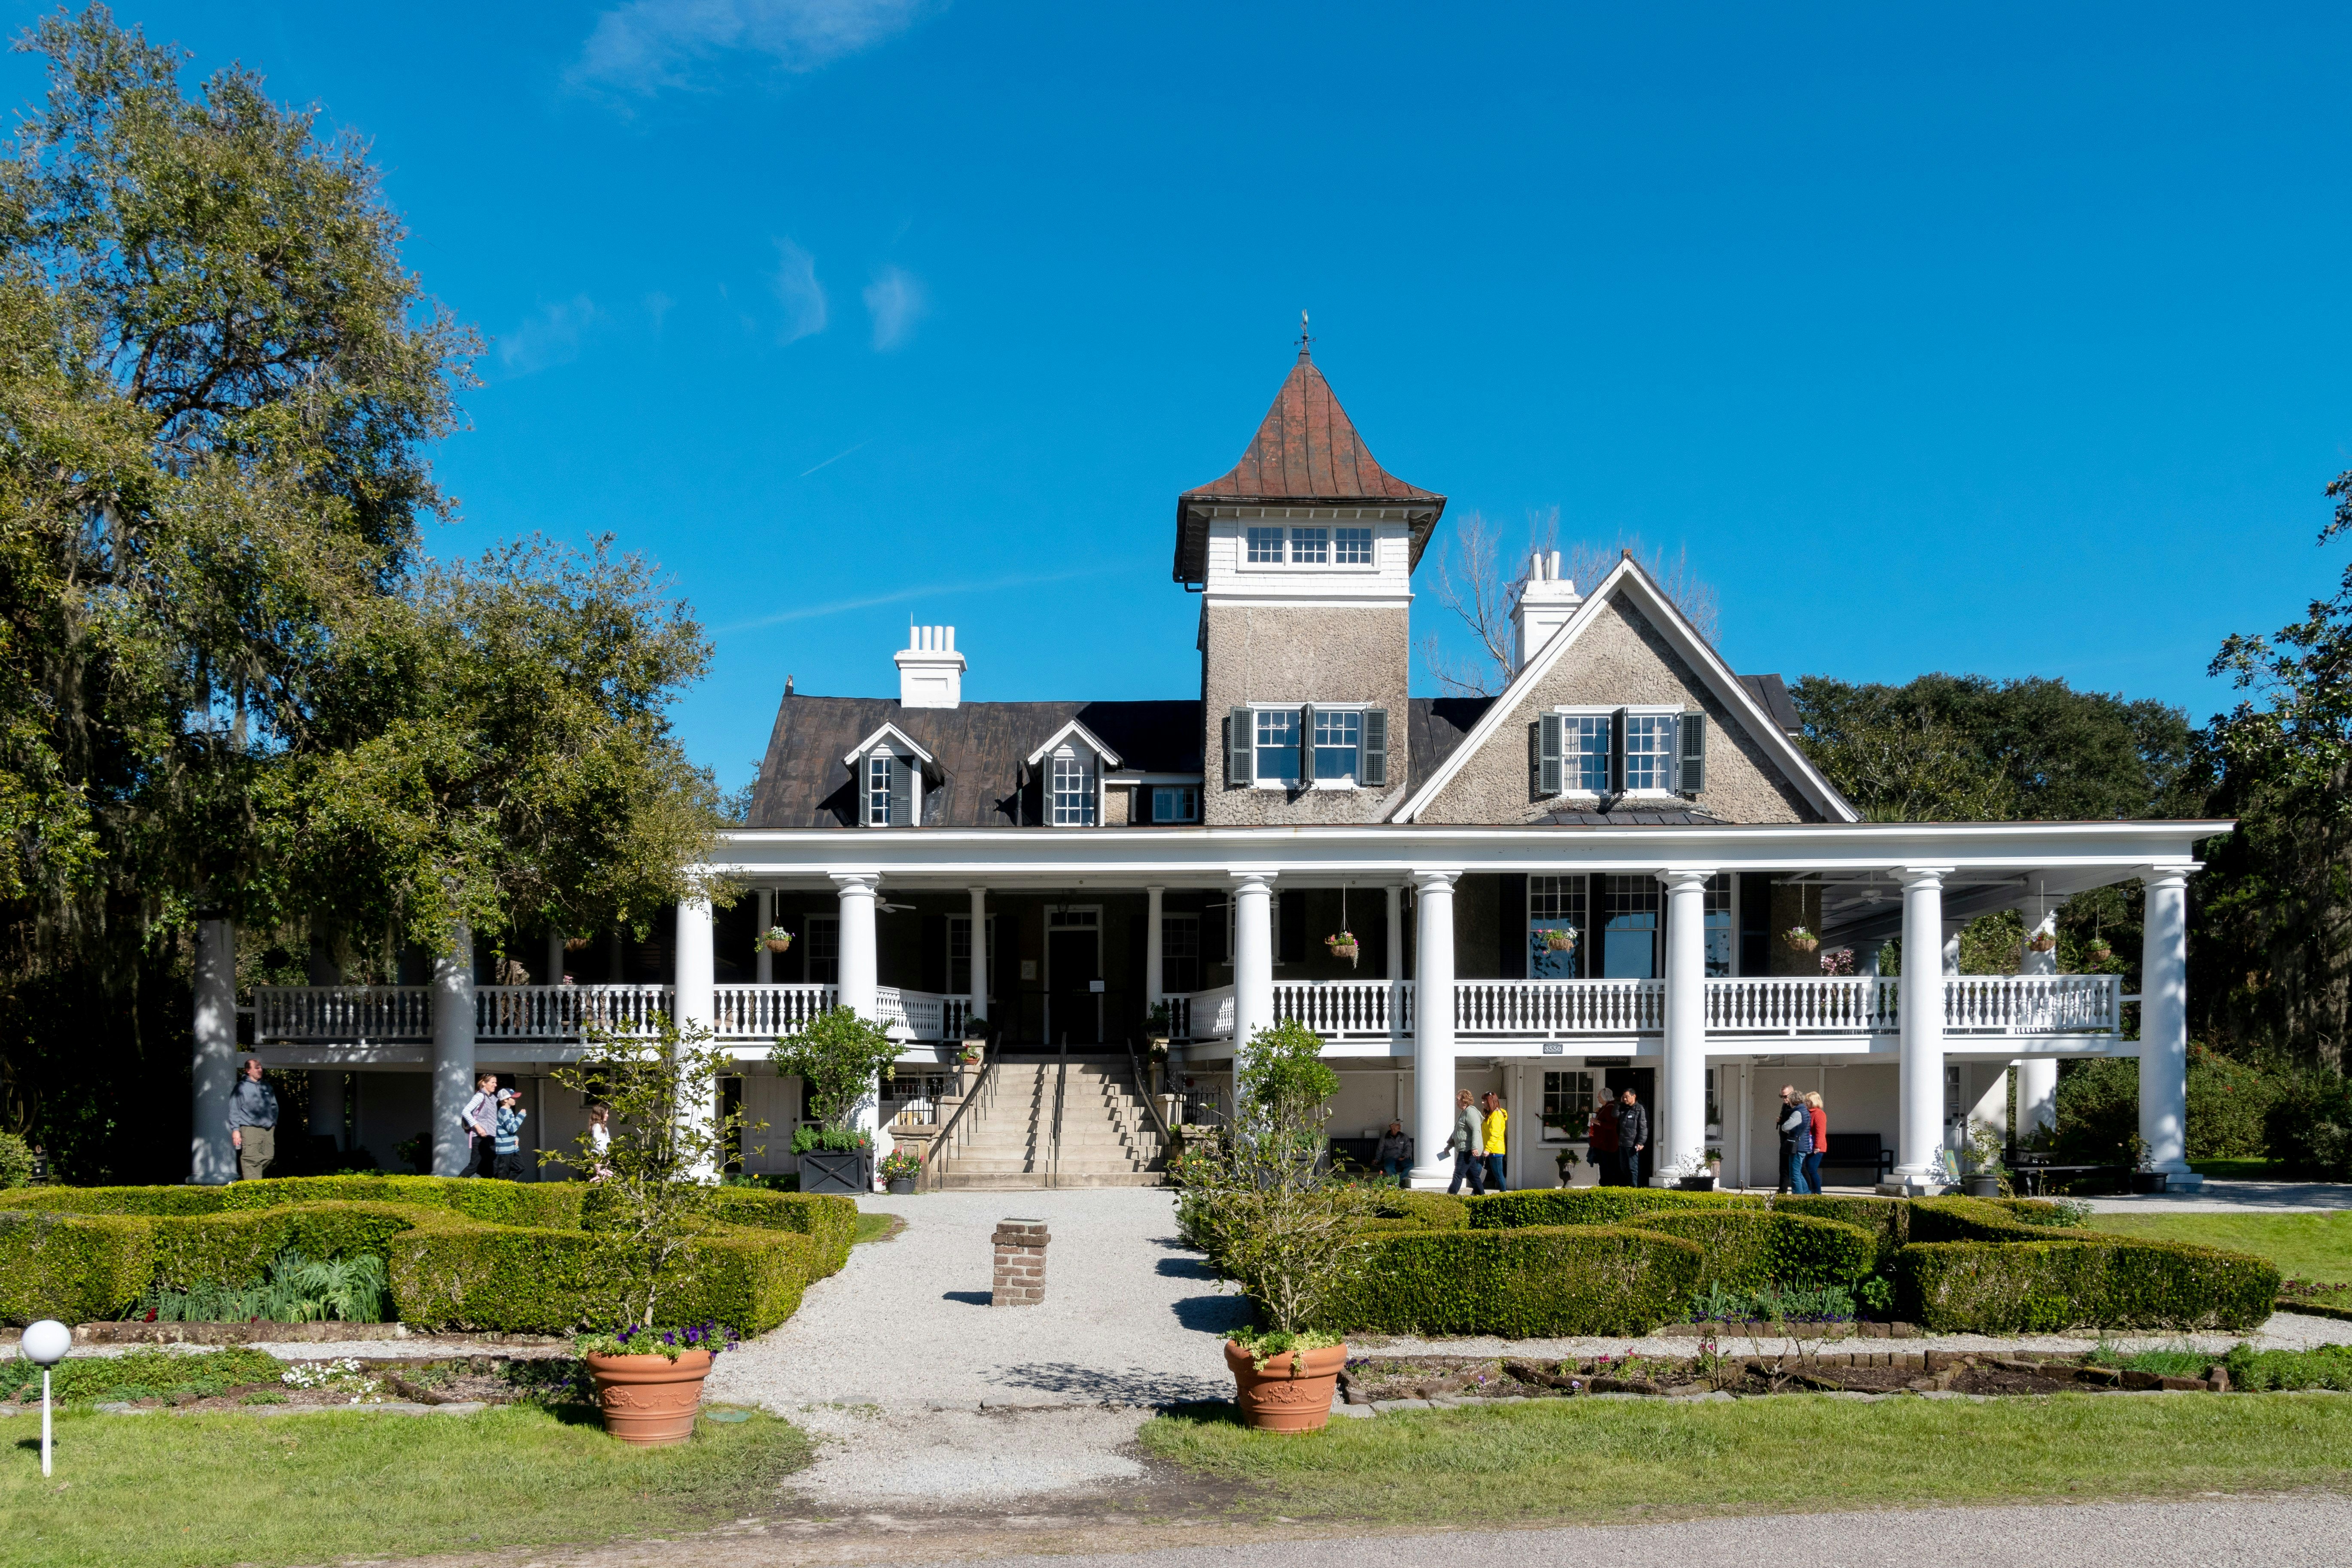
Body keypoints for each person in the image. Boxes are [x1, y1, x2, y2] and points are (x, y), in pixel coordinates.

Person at [227, 1058, 279, 1182]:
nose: (260, 1070)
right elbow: (234, 1109)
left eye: (261, 1067)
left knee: (269, 1156)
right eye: (256, 1068)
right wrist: (236, 1130)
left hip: (267, 1128)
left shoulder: (267, 1086)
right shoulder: (241, 1087)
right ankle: (251, 1189)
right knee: (251, 1158)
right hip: (249, 1127)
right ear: (248, 1071)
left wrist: (273, 1123)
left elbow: (274, 1106)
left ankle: (241, 1182)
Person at [1442, 1088, 1486, 1195]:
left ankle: (1450, 1197)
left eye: (1457, 1099)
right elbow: (1458, 1131)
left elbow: (1476, 1130)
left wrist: (1475, 1147)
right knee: (1473, 1176)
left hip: (1468, 1150)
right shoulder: (1464, 1113)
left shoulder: (1471, 1112)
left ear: (1465, 1100)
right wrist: (1450, 1145)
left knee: (1458, 1174)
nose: (1456, 1102)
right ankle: (1482, 1196)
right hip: (1464, 1149)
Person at [462, 1072, 499, 1178]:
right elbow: (466, 1112)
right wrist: (478, 1127)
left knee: (492, 1166)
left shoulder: (492, 1098)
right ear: (484, 1083)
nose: (495, 1085)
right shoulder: (480, 1096)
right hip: (479, 1138)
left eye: (496, 1083)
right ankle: (454, 1187)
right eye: (493, 1082)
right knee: (474, 1166)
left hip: (490, 1137)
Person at [1612, 1087, 1649, 1188]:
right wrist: (1619, 1103)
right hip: (1623, 1142)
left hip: (1633, 1143)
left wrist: (1641, 1142)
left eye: (1627, 1097)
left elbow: (1644, 1127)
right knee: (1623, 1166)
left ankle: (1635, 1187)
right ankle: (1629, 1185)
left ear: (1634, 1096)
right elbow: (1615, 1115)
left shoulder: (1640, 1109)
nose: (1625, 1099)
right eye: (1623, 1097)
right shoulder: (1623, 1107)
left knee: (1633, 1167)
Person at [1775, 1085, 1809, 1194]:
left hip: (1795, 1144)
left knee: (1796, 1173)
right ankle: (1806, 1193)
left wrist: (1785, 1124)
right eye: (1782, 1096)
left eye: (1786, 1096)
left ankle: (1798, 1196)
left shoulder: (1798, 1112)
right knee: (1793, 1171)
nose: (1785, 1099)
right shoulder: (1801, 1110)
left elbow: (1787, 1127)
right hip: (1792, 1144)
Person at [492, 1088, 529, 1181]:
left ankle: (508, 1186)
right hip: (505, 1149)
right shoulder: (504, 1112)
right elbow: (512, 1128)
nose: (515, 1100)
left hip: (512, 1148)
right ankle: (503, 1188)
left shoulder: (509, 1111)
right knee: (502, 1174)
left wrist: (516, 1137)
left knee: (520, 1167)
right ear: (505, 1100)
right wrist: (521, 1116)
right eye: (513, 1098)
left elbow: (510, 1131)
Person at [1585, 1093, 1620, 1186]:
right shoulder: (1605, 1107)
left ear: (1605, 1097)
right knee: (1603, 1165)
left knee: (1606, 1165)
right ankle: (1605, 1184)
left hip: (1607, 1144)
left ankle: (1606, 1185)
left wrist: (1598, 1122)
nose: (1598, 1098)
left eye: (1600, 1096)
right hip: (1602, 1143)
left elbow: (1612, 1125)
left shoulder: (1610, 1108)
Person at [1481, 1092, 1509, 1194]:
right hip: (1488, 1150)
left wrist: (1488, 1149)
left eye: (1485, 1100)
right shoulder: (1490, 1115)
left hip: (1495, 1151)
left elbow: (1495, 1135)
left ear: (1491, 1102)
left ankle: (1504, 1194)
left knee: (1498, 1174)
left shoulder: (1497, 1116)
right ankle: (1477, 1192)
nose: (1483, 1102)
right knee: (1477, 1172)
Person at [1374, 1120, 1413, 1187]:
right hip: (1390, 1158)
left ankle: (1400, 1181)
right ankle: (1396, 1182)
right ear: (1392, 1126)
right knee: (1388, 1167)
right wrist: (1377, 1160)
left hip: (1402, 1158)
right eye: (1398, 1125)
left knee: (1411, 1165)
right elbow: (1380, 1150)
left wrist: (1404, 1156)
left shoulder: (1404, 1136)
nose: (1400, 1126)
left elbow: (1408, 1148)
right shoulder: (1385, 1138)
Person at [1804, 1090, 1828, 1195]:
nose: (1806, 1103)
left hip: (1816, 1147)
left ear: (1814, 1102)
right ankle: (1812, 1191)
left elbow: (1820, 1131)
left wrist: (1817, 1146)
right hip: (1809, 1145)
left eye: (1808, 1101)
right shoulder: (1809, 1113)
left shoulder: (1819, 1114)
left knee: (1812, 1169)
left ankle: (1817, 1192)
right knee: (1808, 1169)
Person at [586, 1103, 613, 1181]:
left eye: (608, 1113)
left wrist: (608, 1154)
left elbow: (607, 1142)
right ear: (600, 1114)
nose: (607, 1116)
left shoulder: (604, 1127)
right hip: (599, 1155)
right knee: (601, 1176)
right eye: (606, 1113)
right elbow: (596, 1142)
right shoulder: (597, 1126)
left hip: (604, 1156)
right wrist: (603, 1154)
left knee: (607, 1176)